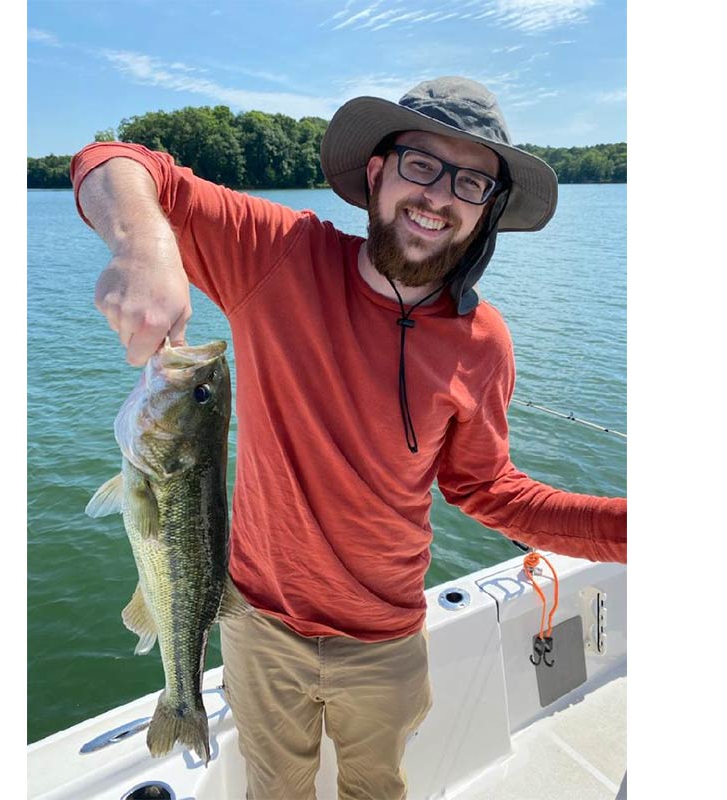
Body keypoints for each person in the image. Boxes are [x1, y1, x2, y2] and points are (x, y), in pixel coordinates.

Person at [71, 76, 626, 800]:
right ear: (376, 172)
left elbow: (487, 489)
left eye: (471, 182)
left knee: (377, 789)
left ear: (487, 209)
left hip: (387, 640)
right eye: (420, 164)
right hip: (257, 627)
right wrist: (146, 244)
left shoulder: (484, 344)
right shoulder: (280, 255)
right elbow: (112, 162)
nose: (438, 196)